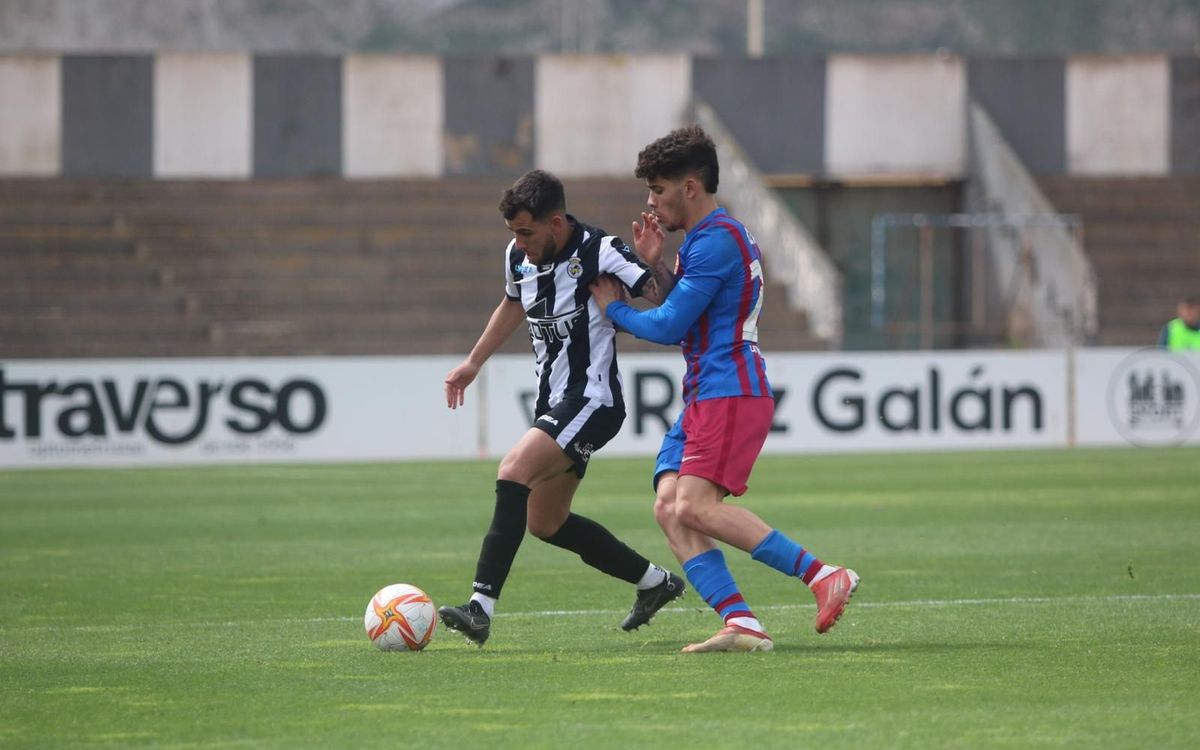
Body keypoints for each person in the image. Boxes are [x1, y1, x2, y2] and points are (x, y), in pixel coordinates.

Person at [590, 126, 859, 653]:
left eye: (659, 189)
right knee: (670, 505)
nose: (651, 200)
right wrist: (654, 266)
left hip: (730, 389)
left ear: (691, 187)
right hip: (707, 392)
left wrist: (614, 310)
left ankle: (824, 576)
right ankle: (742, 623)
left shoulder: (716, 240)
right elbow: (692, 313)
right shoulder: (710, 238)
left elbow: (669, 327)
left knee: (693, 505)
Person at [438, 169, 686, 647]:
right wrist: (473, 362)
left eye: (527, 233)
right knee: (544, 522)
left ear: (556, 223)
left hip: (594, 399)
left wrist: (652, 262)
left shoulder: (601, 249)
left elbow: (667, 306)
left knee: (512, 471)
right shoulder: (518, 255)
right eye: (514, 233)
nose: (520, 243)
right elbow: (512, 304)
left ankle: (480, 608)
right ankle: (654, 582)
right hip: (553, 401)